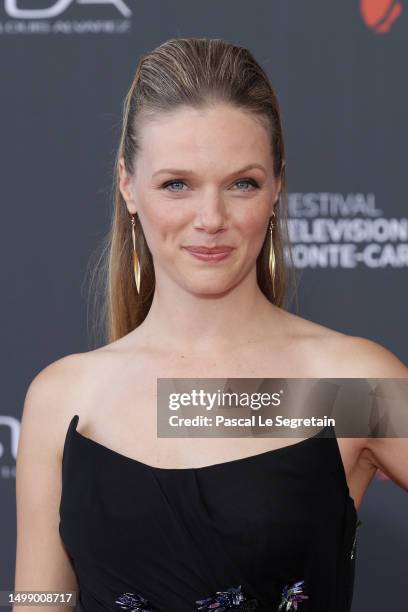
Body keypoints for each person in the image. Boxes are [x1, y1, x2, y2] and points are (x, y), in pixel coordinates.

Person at [14, 37, 408, 612]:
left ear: (276, 188)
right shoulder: (65, 398)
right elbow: (39, 599)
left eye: (241, 183)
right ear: (128, 186)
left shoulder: (351, 387)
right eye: (177, 184)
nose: (211, 219)